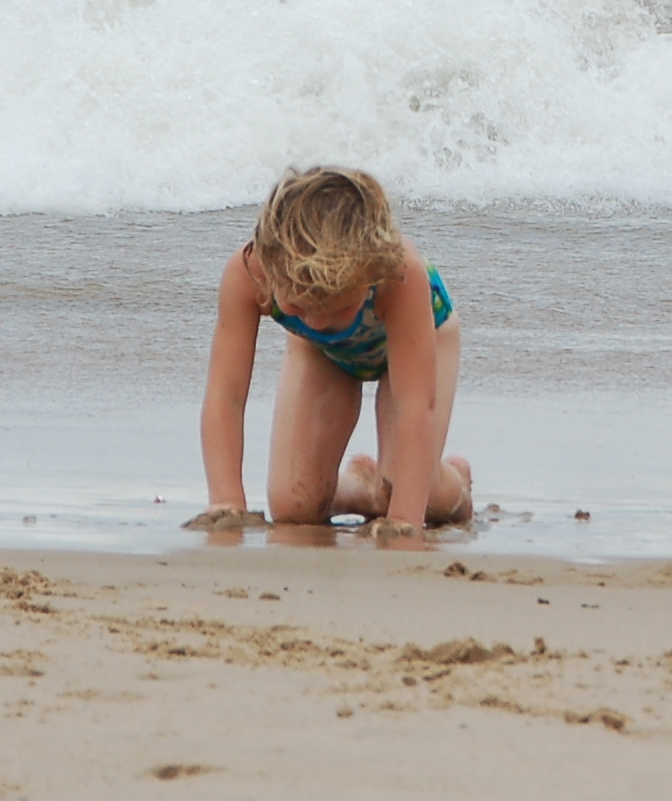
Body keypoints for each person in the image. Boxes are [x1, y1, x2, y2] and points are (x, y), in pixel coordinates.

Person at [192, 166, 473, 537]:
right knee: (294, 506)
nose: (317, 320)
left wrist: (403, 522)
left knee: (403, 489)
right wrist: (226, 501)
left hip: (421, 339)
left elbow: (416, 406)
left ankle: (456, 484)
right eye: (297, 307)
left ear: (370, 274)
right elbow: (225, 395)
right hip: (322, 353)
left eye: (336, 307)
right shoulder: (250, 273)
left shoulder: (398, 273)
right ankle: (362, 486)